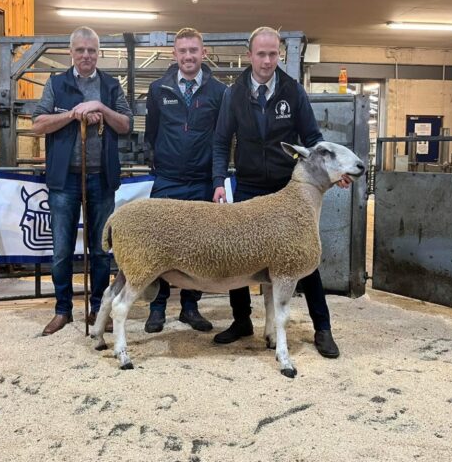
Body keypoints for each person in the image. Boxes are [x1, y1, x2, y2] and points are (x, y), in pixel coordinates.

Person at [211, 26, 351, 358]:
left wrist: (335, 173)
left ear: (280, 55)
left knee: (303, 256)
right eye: (261, 54)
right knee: (238, 254)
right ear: (250, 55)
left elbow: (314, 140)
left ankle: (323, 328)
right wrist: (219, 180)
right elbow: (220, 142)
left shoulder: (293, 91)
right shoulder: (234, 94)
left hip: (287, 187)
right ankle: (242, 320)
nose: (267, 60)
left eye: (273, 54)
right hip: (248, 184)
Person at [32, 26, 134, 336]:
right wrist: (73, 115)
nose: (86, 55)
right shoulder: (56, 84)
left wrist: (101, 108)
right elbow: (38, 124)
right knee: (61, 249)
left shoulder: (111, 85)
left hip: (100, 178)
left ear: (98, 53)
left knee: (101, 249)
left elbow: (126, 124)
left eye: (92, 50)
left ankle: (97, 308)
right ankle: (63, 310)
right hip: (65, 180)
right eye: (81, 50)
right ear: (71, 52)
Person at [142, 27, 227, 333]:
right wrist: (163, 164)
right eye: (183, 51)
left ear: (203, 54)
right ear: (174, 54)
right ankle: (157, 307)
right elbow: (151, 132)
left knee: (199, 247)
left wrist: (218, 179)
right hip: (168, 180)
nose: (189, 56)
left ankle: (190, 307)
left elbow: (221, 140)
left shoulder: (219, 93)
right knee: (160, 245)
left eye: (194, 50)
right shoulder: (158, 89)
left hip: (202, 181)